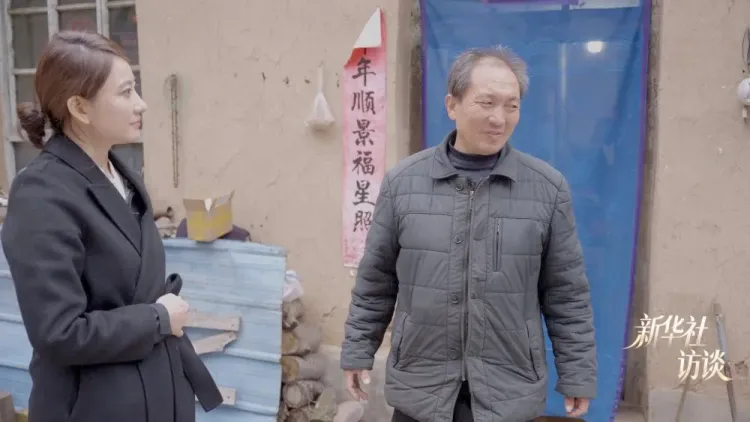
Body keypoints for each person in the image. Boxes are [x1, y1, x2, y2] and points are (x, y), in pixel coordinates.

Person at [340, 45, 597, 422]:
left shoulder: (547, 188)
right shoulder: (403, 183)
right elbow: (376, 280)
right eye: (486, 102)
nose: (499, 118)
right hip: (421, 385)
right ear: (452, 105)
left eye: (511, 106)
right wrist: (357, 351)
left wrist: (577, 374)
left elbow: (566, 293)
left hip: (507, 390)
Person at [1, 31, 222, 422]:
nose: (141, 104)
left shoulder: (123, 177)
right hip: (93, 405)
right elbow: (59, 332)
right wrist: (157, 318)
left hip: (157, 391)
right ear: (80, 108)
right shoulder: (40, 193)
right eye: (125, 92)